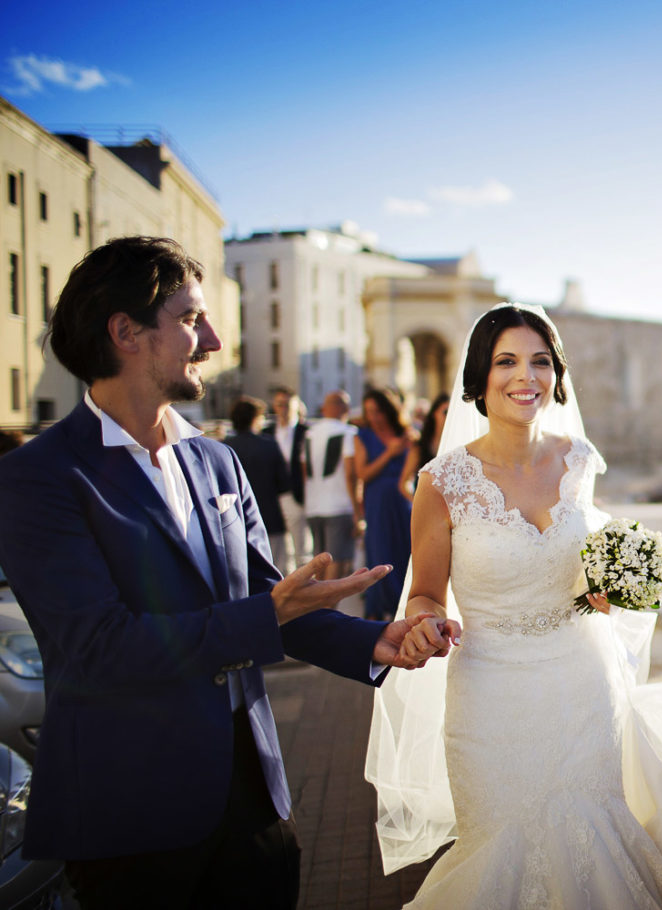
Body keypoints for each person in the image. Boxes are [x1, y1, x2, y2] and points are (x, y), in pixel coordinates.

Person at [0, 236, 451, 909]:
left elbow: (271, 604)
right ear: (125, 332)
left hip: (251, 803)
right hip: (127, 815)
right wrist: (266, 616)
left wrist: (372, 640)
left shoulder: (216, 463)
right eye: (189, 319)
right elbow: (96, 648)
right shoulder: (37, 478)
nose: (211, 339)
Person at [367, 304, 662, 908]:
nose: (526, 377)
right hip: (489, 697)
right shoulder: (440, 482)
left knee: (597, 836)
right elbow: (425, 589)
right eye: (507, 362)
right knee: (504, 849)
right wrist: (424, 619)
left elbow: (586, 565)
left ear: (556, 375)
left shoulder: (579, 459)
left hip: (584, 684)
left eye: (540, 362)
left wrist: (616, 584)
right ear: (479, 376)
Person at [354, 388, 414, 620]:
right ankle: (379, 611)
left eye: (378, 411)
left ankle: (405, 607)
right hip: (377, 501)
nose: (373, 417)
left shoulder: (406, 433)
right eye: (369, 412)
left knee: (405, 551)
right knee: (380, 552)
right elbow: (363, 474)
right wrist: (389, 454)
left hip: (403, 501)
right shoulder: (363, 437)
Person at [223, 396, 292, 566]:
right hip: (269, 518)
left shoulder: (223, 448)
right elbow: (284, 484)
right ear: (255, 419)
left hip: (233, 522)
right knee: (275, 571)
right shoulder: (269, 446)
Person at [304, 391, 361, 582]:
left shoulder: (310, 433)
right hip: (339, 504)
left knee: (319, 561)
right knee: (337, 561)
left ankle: (318, 608)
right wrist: (357, 510)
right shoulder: (347, 432)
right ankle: (328, 608)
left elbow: (304, 470)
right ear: (342, 408)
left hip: (314, 505)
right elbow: (350, 473)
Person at [269, 387, 310, 573]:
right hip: (272, 494)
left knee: (301, 543)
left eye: (287, 404)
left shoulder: (306, 432)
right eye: (279, 404)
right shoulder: (267, 432)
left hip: (296, 493)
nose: (283, 408)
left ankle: (305, 579)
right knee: (278, 545)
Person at [399, 392, 448, 501]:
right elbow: (403, 483)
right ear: (434, 413)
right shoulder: (420, 447)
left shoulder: (461, 446)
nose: (449, 417)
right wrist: (418, 503)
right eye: (445, 412)